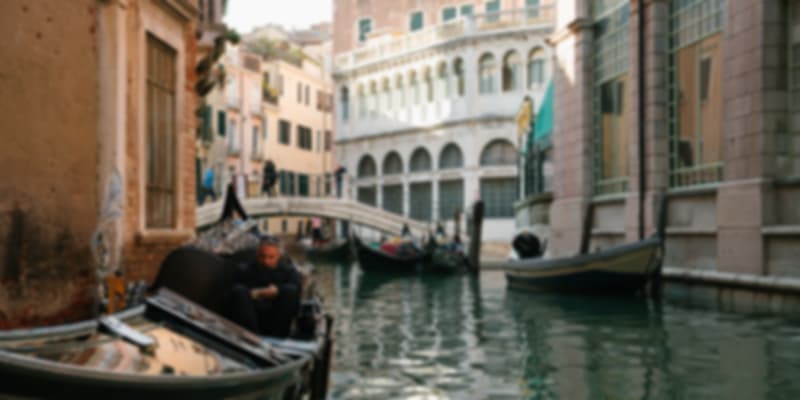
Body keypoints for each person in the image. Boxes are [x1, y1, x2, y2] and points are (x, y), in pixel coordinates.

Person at [225, 235, 304, 337]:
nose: (266, 261)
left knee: (290, 291)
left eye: (271, 257)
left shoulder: (289, 272)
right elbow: (232, 294)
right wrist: (257, 293)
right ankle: (253, 337)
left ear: (278, 256)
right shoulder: (244, 270)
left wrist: (278, 291)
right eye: (262, 256)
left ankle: (277, 337)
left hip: (277, 319)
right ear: (257, 255)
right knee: (238, 291)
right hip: (250, 318)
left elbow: (295, 294)